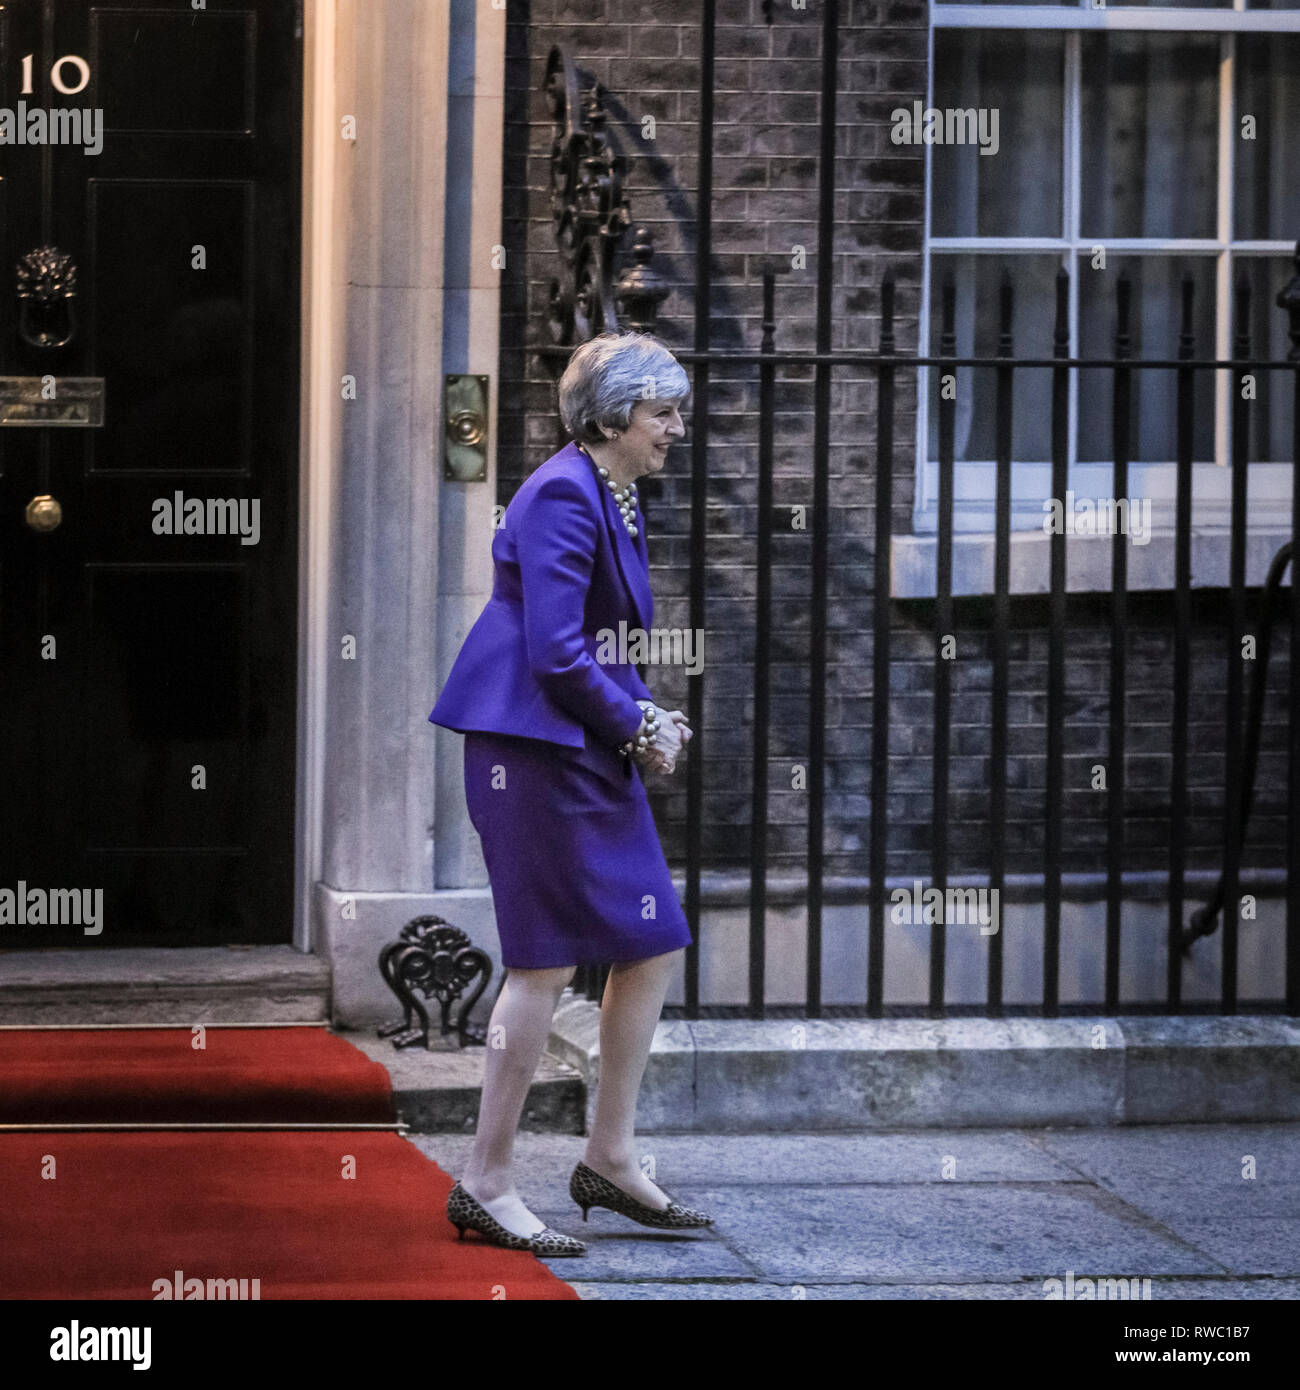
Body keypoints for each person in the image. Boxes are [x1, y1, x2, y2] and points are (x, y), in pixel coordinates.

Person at [429, 331, 714, 1256]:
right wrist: (635, 724)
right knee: (545, 962)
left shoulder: (613, 491)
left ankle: (609, 1158)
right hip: (530, 750)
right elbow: (553, 652)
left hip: (580, 745)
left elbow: (590, 644)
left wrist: (646, 713)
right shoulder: (562, 491)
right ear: (616, 415)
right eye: (664, 412)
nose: (676, 428)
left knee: (652, 937)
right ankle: (485, 1182)